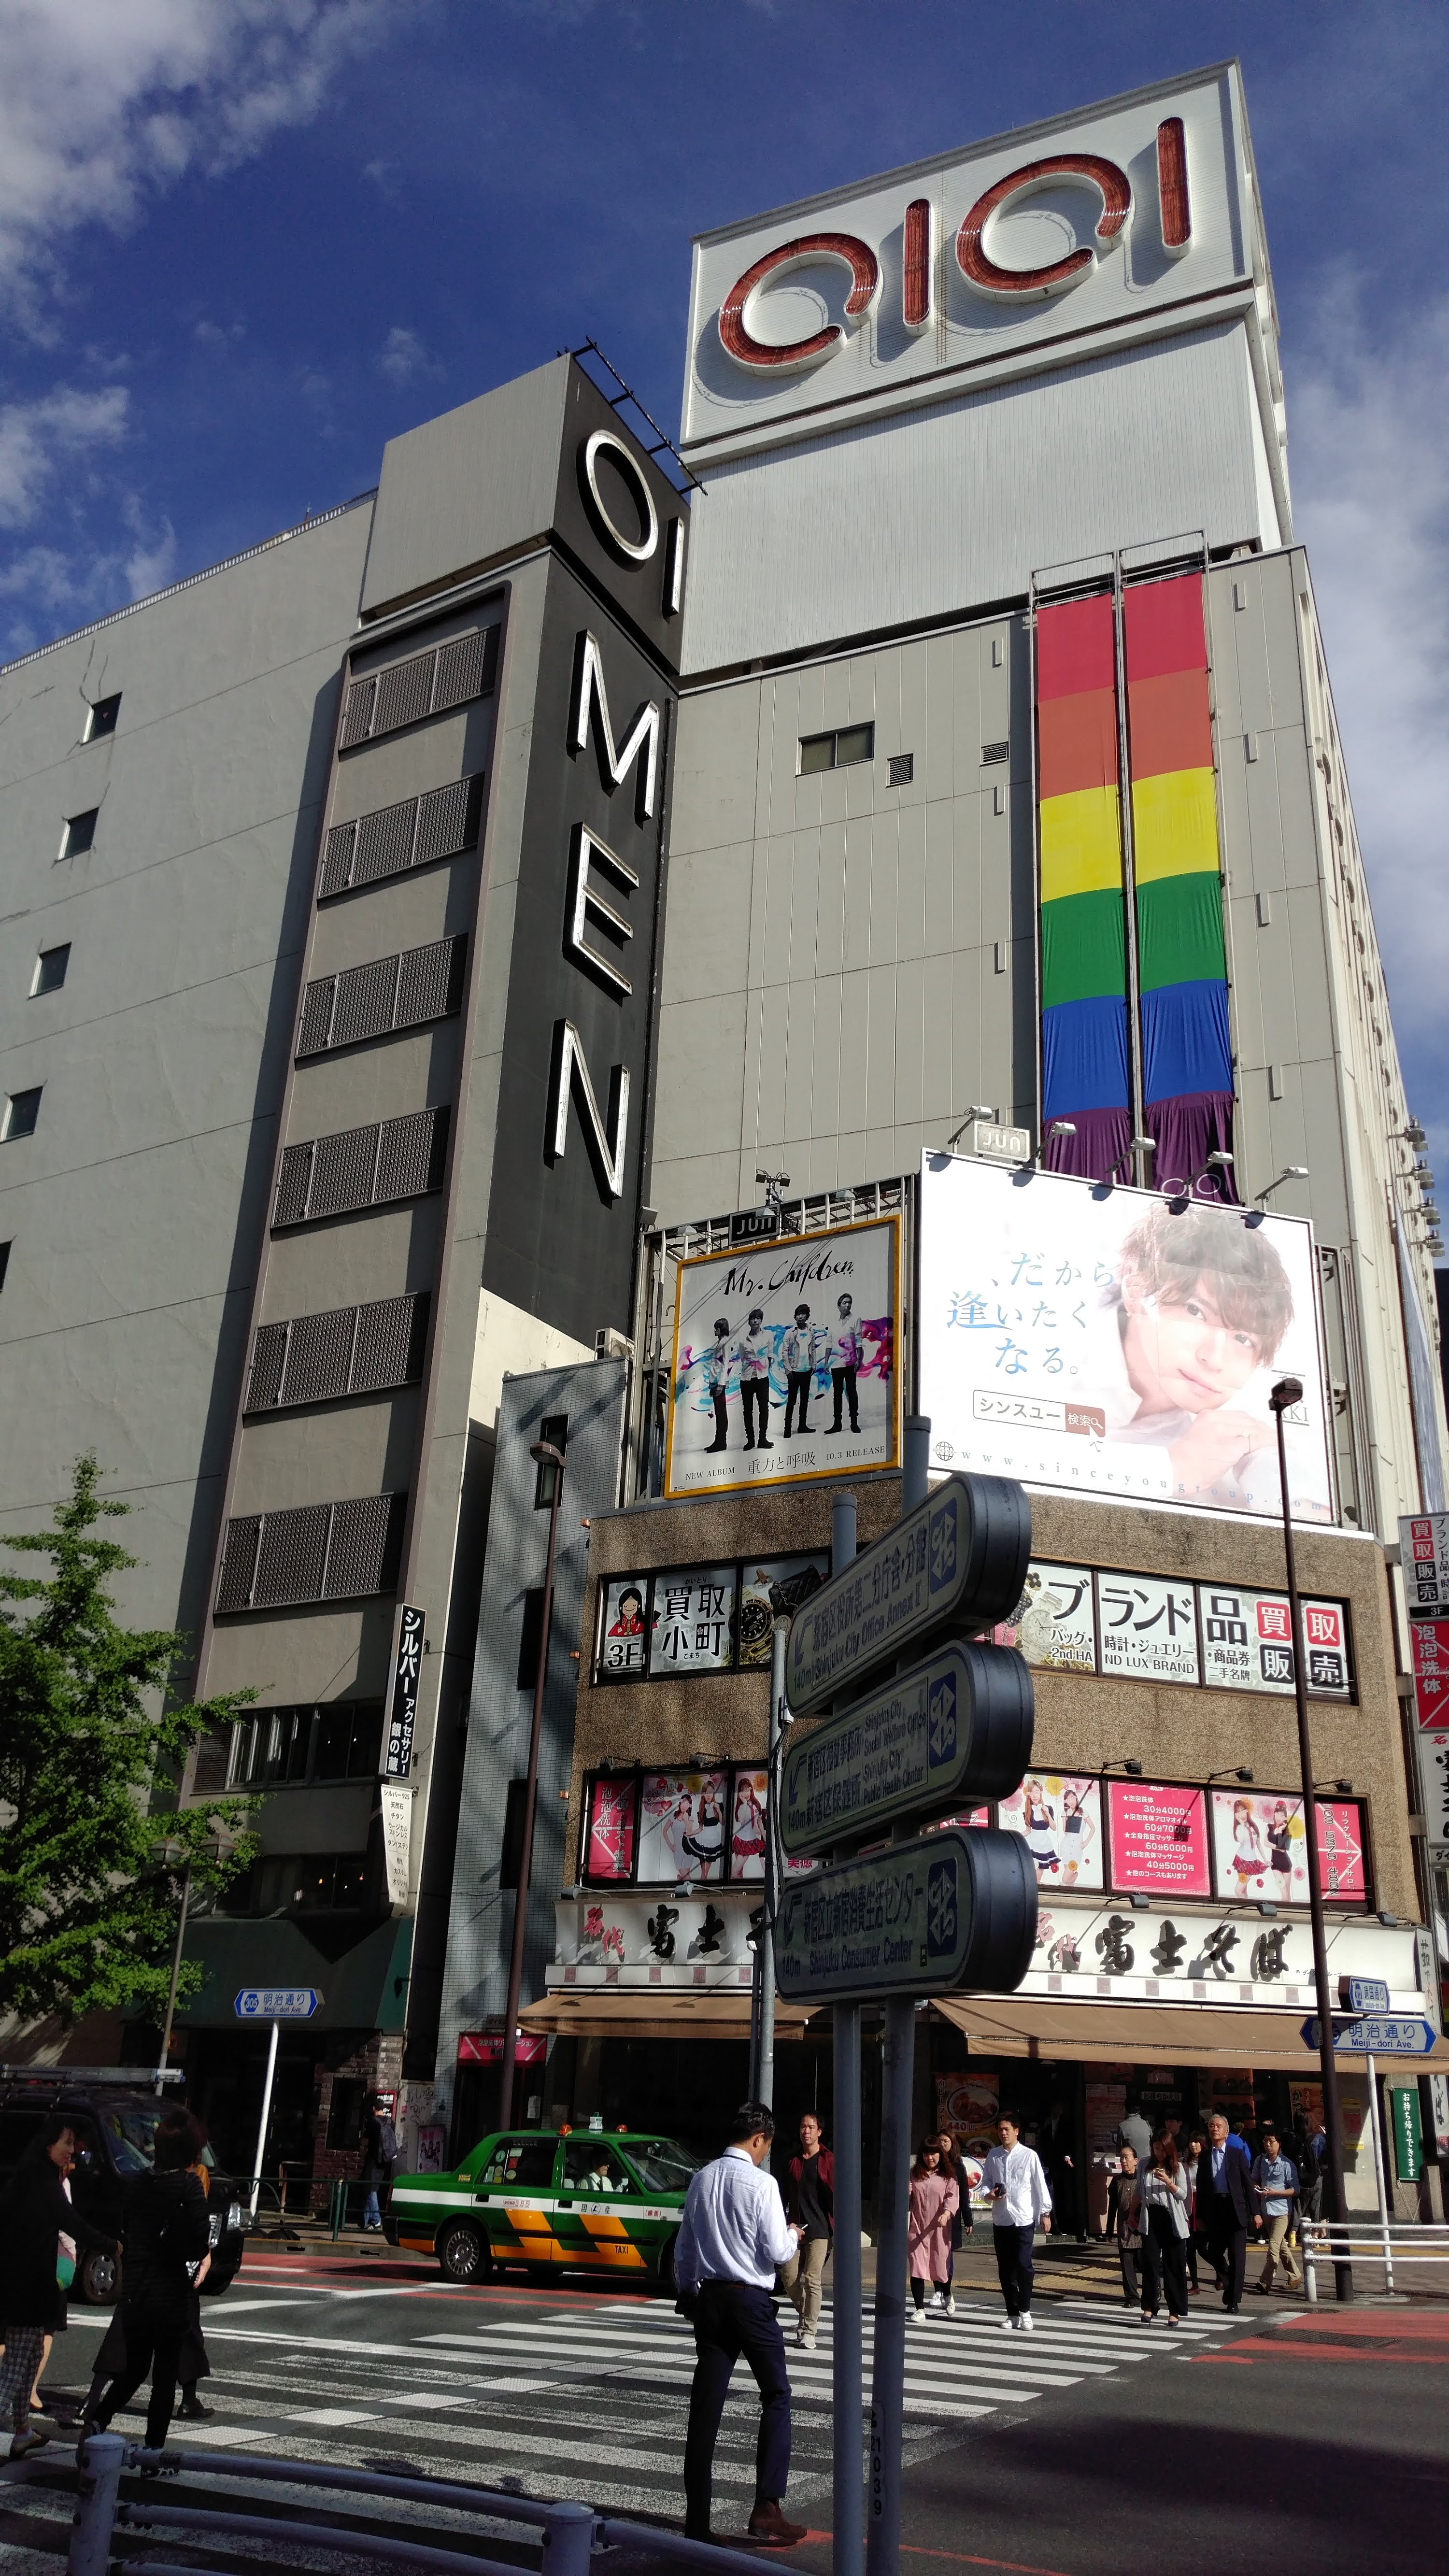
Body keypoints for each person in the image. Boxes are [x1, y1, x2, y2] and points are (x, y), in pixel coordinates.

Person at [675, 2102, 805, 2548]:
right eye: (766, 2144)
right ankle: (767, 2507)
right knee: (776, 2394)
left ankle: (697, 2520)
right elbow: (777, 2250)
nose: (765, 2151)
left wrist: (687, 2292)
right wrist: (794, 2234)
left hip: (709, 2297)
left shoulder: (702, 2178)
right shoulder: (763, 2183)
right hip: (750, 2300)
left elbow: (686, 2247)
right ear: (759, 2139)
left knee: (706, 2409)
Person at [84, 2114, 210, 2455]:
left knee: (135, 2367)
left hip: (137, 2290)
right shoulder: (188, 2185)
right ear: (189, 2151)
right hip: (170, 2290)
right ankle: (153, 2450)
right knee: (164, 2376)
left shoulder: (137, 2183)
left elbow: (126, 2226)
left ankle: (99, 2418)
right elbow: (200, 2240)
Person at [0, 2119, 116, 2459]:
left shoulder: (29, 2178)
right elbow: (72, 2222)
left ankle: (22, 2429)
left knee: (31, 2354)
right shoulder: (42, 2183)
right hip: (26, 2289)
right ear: (48, 2145)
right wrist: (111, 2244)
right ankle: (17, 2428)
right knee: (16, 2365)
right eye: (66, 2142)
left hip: (27, 2285)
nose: (72, 2148)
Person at [980, 2114, 1051, 2333]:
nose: (1003, 2133)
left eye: (1007, 2129)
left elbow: (1040, 2184)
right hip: (1002, 2219)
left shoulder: (1029, 2156)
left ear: (1016, 2131)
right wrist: (988, 2195)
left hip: (1023, 2218)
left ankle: (1026, 2311)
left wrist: (1045, 2212)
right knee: (1005, 2269)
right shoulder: (994, 2155)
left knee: (1024, 2266)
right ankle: (1012, 2313)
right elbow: (986, 2184)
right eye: (1000, 2130)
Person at [778, 2112, 833, 2352]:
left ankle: (809, 2330)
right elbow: (782, 2192)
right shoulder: (793, 2159)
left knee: (812, 2280)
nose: (806, 2131)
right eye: (803, 2127)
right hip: (795, 2227)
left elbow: (837, 2195)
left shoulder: (828, 2159)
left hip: (820, 2228)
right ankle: (807, 2314)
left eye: (811, 2127)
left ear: (819, 2132)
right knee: (789, 2277)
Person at [1198, 2109, 1254, 2311]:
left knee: (1238, 2257)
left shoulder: (1236, 2154)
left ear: (1226, 2132)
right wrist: (1201, 2216)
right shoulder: (1205, 2157)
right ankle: (1228, 2278)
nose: (1214, 2129)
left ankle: (1234, 2301)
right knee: (1209, 2249)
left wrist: (1255, 2212)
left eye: (1218, 2126)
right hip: (1215, 2209)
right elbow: (1203, 2188)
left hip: (1235, 2208)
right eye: (1211, 2126)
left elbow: (1248, 2184)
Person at [1134, 2130, 1191, 2327]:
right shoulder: (1143, 2164)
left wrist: (1168, 2182)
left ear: (1169, 2149)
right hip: (1151, 2217)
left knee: (1173, 2265)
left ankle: (1175, 2310)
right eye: (1155, 2148)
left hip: (1172, 2218)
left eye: (1161, 2149)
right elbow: (1138, 2191)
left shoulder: (1177, 2168)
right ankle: (1149, 2307)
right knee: (1149, 2263)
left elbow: (1183, 2195)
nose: (1158, 2152)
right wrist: (1132, 2214)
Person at [907, 2141, 958, 2321]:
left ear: (940, 2155)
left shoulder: (948, 2176)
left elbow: (953, 2197)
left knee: (939, 2267)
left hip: (939, 2229)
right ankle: (920, 2309)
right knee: (917, 2269)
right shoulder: (915, 2175)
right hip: (918, 2229)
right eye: (927, 2154)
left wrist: (946, 2213)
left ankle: (947, 2294)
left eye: (934, 2154)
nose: (930, 2158)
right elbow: (910, 2196)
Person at [1251, 2128, 1302, 2293]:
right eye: (1265, 2141)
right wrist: (1256, 2187)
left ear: (1279, 2144)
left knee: (1273, 2246)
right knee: (1281, 2246)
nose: (1267, 2145)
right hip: (1266, 2210)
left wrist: (1275, 2193)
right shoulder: (1260, 2161)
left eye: (1271, 2142)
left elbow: (1295, 2190)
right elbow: (1254, 2180)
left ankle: (1265, 2282)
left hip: (1281, 2211)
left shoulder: (1287, 2164)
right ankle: (1295, 2276)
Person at [933, 2130, 971, 2313]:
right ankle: (938, 2290)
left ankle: (946, 2290)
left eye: (946, 2141)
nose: (942, 2144)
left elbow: (964, 2195)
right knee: (933, 2253)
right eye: (940, 2141)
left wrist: (968, 2219)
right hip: (932, 2216)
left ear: (952, 2144)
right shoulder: (932, 2163)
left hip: (951, 2218)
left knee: (947, 2255)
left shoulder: (958, 2167)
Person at [1106, 2145, 1142, 2310]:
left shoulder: (1142, 2180)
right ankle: (1132, 2297)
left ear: (1136, 2161)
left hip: (1142, 2230)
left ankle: (1153, 2291)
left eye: (1127, 2157)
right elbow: (1112, 2206)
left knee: (1144, 2264)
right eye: (1122, 2158)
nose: (1124, 2161)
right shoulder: (1117, 2181)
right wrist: (1109, 2230)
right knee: (1127, 2266)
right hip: (1124, 2229)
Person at [823, 1294, 861, 1436]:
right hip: (836, 1363)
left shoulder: (856, 1319)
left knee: (852, 1392)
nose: (848, 1305)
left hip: (851, 1362)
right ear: (839, 1306)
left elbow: (858, 1340)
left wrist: (859, 1359)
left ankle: (854, 1423)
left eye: (850, 1303)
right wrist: (826, 1362)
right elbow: (829, 1343)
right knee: (837, 1394)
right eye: (845, 1303)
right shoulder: (833, 1322)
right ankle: (837, 1424)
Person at [737, 1309, 774, 1452]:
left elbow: (770, 1355)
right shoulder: (743, 1340)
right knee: (748, 1410)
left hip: (762, 1378)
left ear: (761, 1320)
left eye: (758, 1318)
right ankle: (750, 1440)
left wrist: (763, 1368)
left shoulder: (768, 1336)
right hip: (747, 1379)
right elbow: (742, 1358)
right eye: (753, 1319)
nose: (755, 1321)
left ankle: (763, 1439)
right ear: (749, 1321)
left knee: (764, 1408)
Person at [359, 2095, 398, 2231]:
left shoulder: (373, 2122)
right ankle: (364, 2221)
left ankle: (376, 2220)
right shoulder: (391, 2122)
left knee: (371, 2190)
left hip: (373, 2160)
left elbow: (366, 2140)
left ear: (374, 2109)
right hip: (386, 2161)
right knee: (373, 2188)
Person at [781, 1304, 816, 1439]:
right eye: (798, 1314)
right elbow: (784, 1352)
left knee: (805, 1400)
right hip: (794, 1372)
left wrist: (813, 1365)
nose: (800, 1316)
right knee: (792, 1401)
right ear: (795, 1317)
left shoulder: (810, 1331)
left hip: (806, 1370)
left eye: (803, 1314)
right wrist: (788, 1370)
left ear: (807, 1316)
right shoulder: (790, 1333)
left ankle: (802, 1426)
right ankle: (787, 1429)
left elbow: (813, 1349)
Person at [701, 1318, 733, 1453]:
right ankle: (718, 1441)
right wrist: (712, 1386)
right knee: (719, 1412)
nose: (715, 1331)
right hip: (715, 1384)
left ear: (722, 1329)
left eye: (717, 1329)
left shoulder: (725, 1343)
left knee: (721, 1414)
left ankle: (721, 1442)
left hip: (719, 1384)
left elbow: (725, 1365)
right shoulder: (720, 1342)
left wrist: (720, 1385)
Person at [1181, 2129, 1206, 2291]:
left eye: (1196, 2142)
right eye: (1191, 2142)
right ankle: (1195, 2284)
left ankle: (1221, 2274)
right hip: (1189, 2203)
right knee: (1190, 2247)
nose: (1193, 2145)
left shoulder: (1209, 2160)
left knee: (1205, 2248)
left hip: (1203, 2204)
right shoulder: (1185, 2162)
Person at [1114, 2096, 1152, 2164]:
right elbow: (1152, 2143)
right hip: (1147, 2165)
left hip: (1132, 2166)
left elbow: (1119, 2149)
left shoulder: (1123, 2126)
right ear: (1139, 2111)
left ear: (1126, 2109)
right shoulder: (1146, 2124)